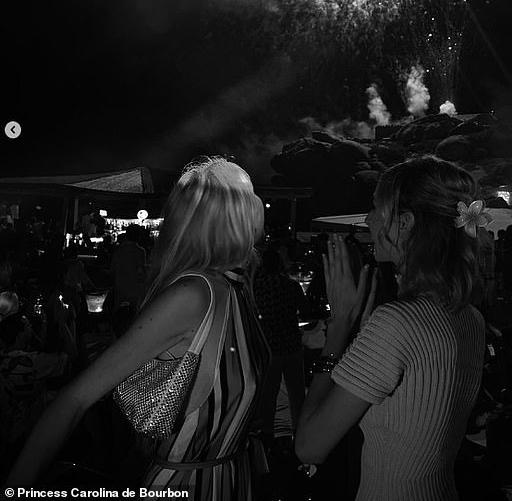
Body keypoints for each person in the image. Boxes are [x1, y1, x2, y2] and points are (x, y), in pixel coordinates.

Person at [5, 156, 270, 498]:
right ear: (220, 216)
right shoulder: (194, 295)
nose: (257, 210)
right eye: (246, 199)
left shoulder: (235, 288)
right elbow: (75, 398)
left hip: (230, 481)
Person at [295, 154, 486, 501]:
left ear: (405, 223)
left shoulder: (398, 322)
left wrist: (340, 327)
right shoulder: (470, 317)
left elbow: (309, 447)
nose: (368, 219)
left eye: (376, 208)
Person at [253, 245, 308, 451]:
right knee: (296, 393)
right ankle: (300, 432)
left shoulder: (258, 287)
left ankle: (268, 435)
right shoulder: (291, 286)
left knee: (269, 393)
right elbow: (305, 310)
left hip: (270, 348)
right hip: (292, 344)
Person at [109, 225, 147, 312]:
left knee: (119, 315)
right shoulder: (140, 251)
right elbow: (141, 273)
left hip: (120, 288)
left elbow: (112, 270)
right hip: (133, 290)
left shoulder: (119, 250)